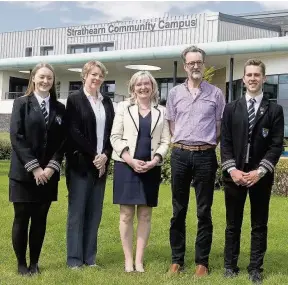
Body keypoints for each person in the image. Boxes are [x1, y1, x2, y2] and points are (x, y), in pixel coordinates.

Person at [221, 59, 284, 284]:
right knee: (232, 224)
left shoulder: (275, 110)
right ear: (244, 78)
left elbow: (276, 145)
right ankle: (230, 265)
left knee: (259, 224)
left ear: (264, 78)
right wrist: (232, 170)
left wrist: (260, 171)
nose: (253, 79)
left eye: (257, 75)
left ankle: (255, 268)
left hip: (260, 177)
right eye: (249, 75)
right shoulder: (231, 108)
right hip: (235, 176)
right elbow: (225, 142)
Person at [166, 45, 226, 276]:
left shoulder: (216, 94)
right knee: (178, 210)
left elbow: (219, 126)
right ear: (185, 66)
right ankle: (176, 260)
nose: (195, 66)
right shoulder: (174, 94)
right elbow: (172, 126)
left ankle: (202, 262)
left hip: (205, 156)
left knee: (204, 210)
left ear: (204, 64)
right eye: (191, 63)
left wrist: (204, 143)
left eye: (199, 62)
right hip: (180, 154)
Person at [110, 70, 170, 273]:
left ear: (153, 87)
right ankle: (128, 260)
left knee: (145, 215)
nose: (143, 87)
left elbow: (165, 141)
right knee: (126, 215)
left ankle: (139, 260)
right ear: (133, 88)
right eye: (139, 84)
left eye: (147, 84)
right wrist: (129, 159)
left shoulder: (162, 111)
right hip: (126, 166)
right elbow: (115, 137)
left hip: (150, 168)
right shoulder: (123, 108)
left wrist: (155, 161)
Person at [9, 63, 66, 275]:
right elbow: (16, 136)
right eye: (41, 77)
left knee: (40, 219)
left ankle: (35, 263)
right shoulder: (21, 104)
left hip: (49, 175)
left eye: (49, 78)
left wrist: (51, 168)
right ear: (33, 78)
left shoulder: (60, 108)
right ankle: (22, 265)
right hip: (23, 174)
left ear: (53, 82)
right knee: (22, 217)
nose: (45, 81)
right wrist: (34, 168)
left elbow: (63, 141)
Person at [65, 60, 115, 268]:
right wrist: (95, 155)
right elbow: (73, 131)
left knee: (94, 213)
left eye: (100, 75)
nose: (96, 78)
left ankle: (90, 258)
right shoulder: (75, 99)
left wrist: (105, 155)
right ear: (84, 75)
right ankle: (74, 260)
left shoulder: (107, 102)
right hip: (80, 164)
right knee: (77, 213)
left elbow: (112, 133)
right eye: (93, 74)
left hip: (101, 165)